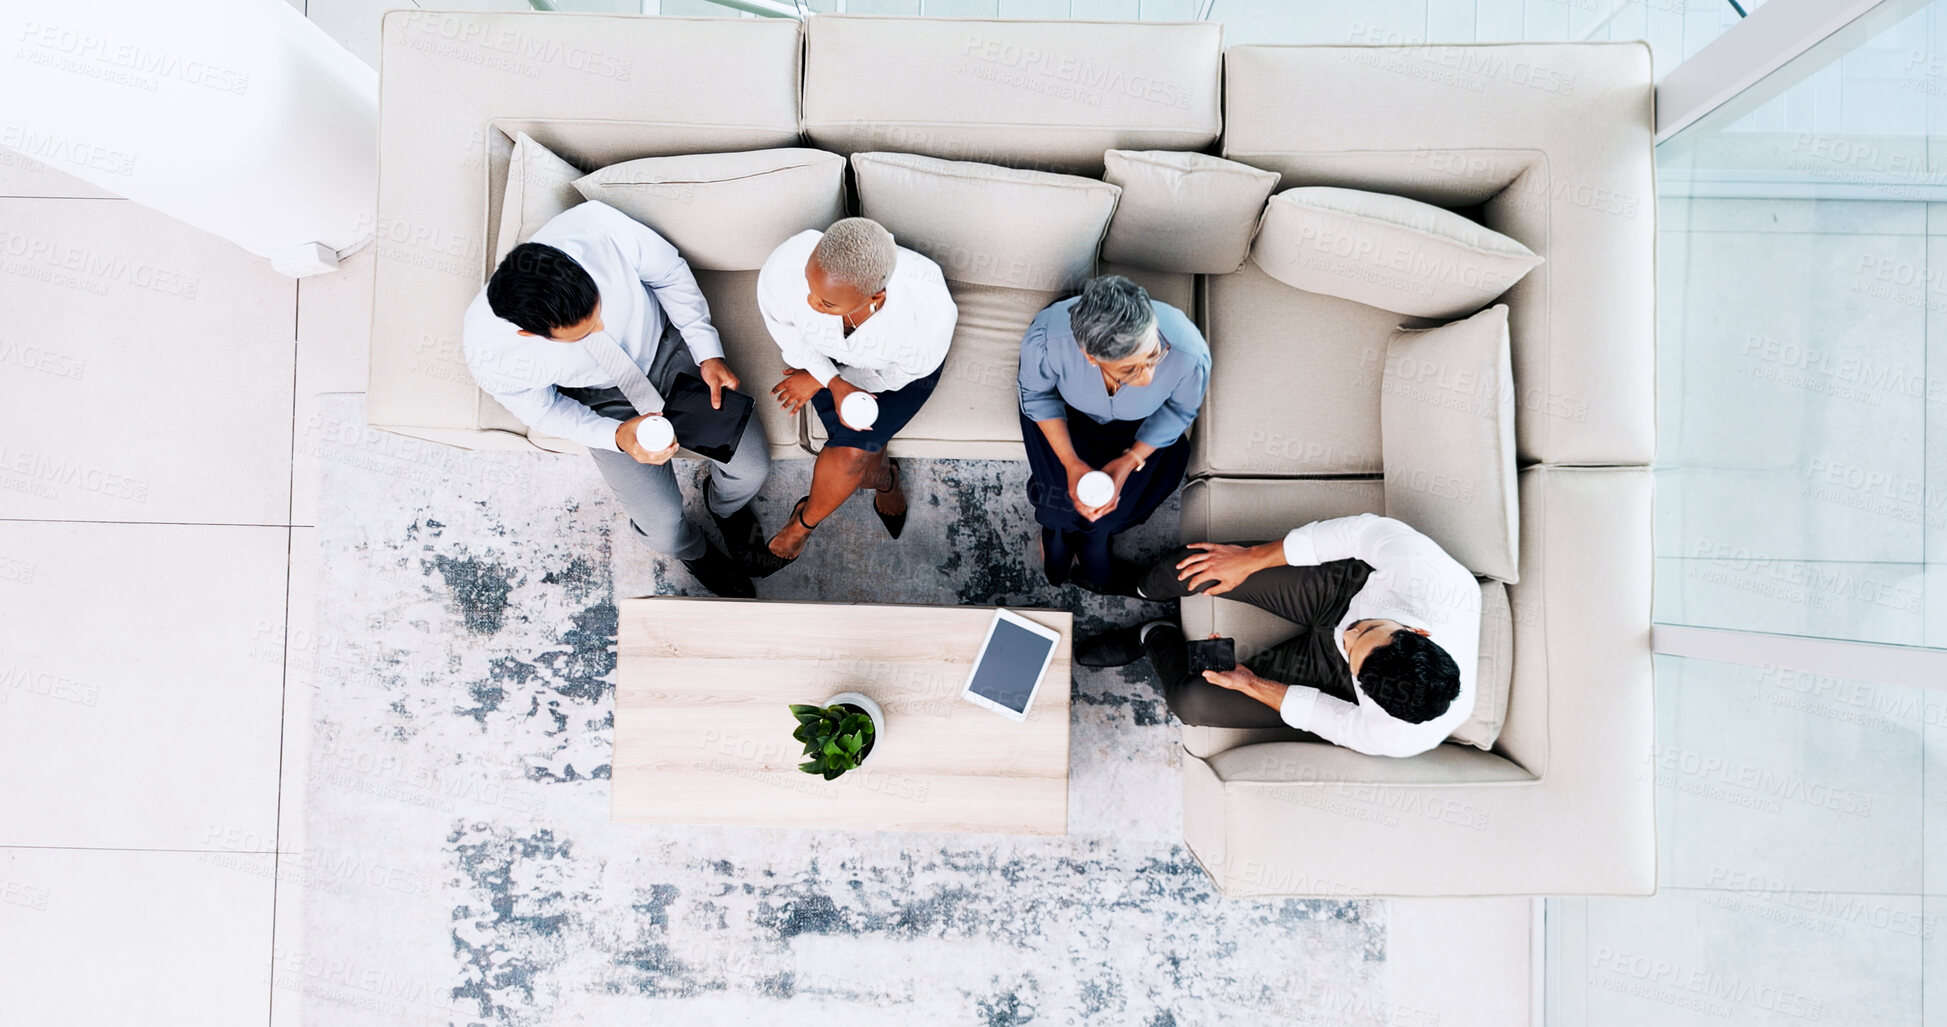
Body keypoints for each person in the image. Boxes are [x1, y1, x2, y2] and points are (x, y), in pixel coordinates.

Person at [463, 200, 770, 599]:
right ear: (530, 333)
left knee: (752, 468)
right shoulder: (491, 355)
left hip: (666, 352)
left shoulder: (598, 227)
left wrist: (707, 352)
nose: (602, 328)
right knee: (660, 528)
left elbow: (670, 273)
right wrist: (616, 436)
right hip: (600, 401)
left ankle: (725, 509)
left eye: (598, 311)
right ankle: (694, 551)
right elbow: (544, 410)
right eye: (583, 332)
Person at [1076, 513, 1478, 758]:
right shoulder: (1427, 576)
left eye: (1353, 653)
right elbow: (1359, 533)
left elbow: (1330, 719)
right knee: (1199, 565)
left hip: (1329, 674)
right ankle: (1137, 586)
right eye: (1367, 632)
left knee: (1191, 700)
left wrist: (1251, 683)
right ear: (1417, 630)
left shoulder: (1398, 734)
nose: (1348, 639)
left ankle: (1153, 635)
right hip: (1348, 588)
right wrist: (1248, 560)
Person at [749, 218, 957, 575]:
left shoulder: (926, 322)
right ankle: (883, 478)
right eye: (810, 287)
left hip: (894, 379)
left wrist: (827, 381)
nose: (810, 303)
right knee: (857, 454)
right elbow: (784, 328)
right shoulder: (788, 263)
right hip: (822, 361)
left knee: (851, 453)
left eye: (826, 302)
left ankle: (803, 523)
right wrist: (825, 375)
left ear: (875, 298)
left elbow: (892, 378)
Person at [1018, 275, 1209, 594]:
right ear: (1091, 357)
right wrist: (1069, 462)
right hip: (1066, 417)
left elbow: (1177, 411)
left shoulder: (1189, 351)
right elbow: (1036, 396)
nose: (1149, 378)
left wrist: (1130, 460)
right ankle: (1056, 531)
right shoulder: (1048, 338)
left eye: (1153, 355)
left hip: (1140, 430)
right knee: (1060, 506)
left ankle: (1097, 537)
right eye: (1130, 370)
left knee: (1109, 513)